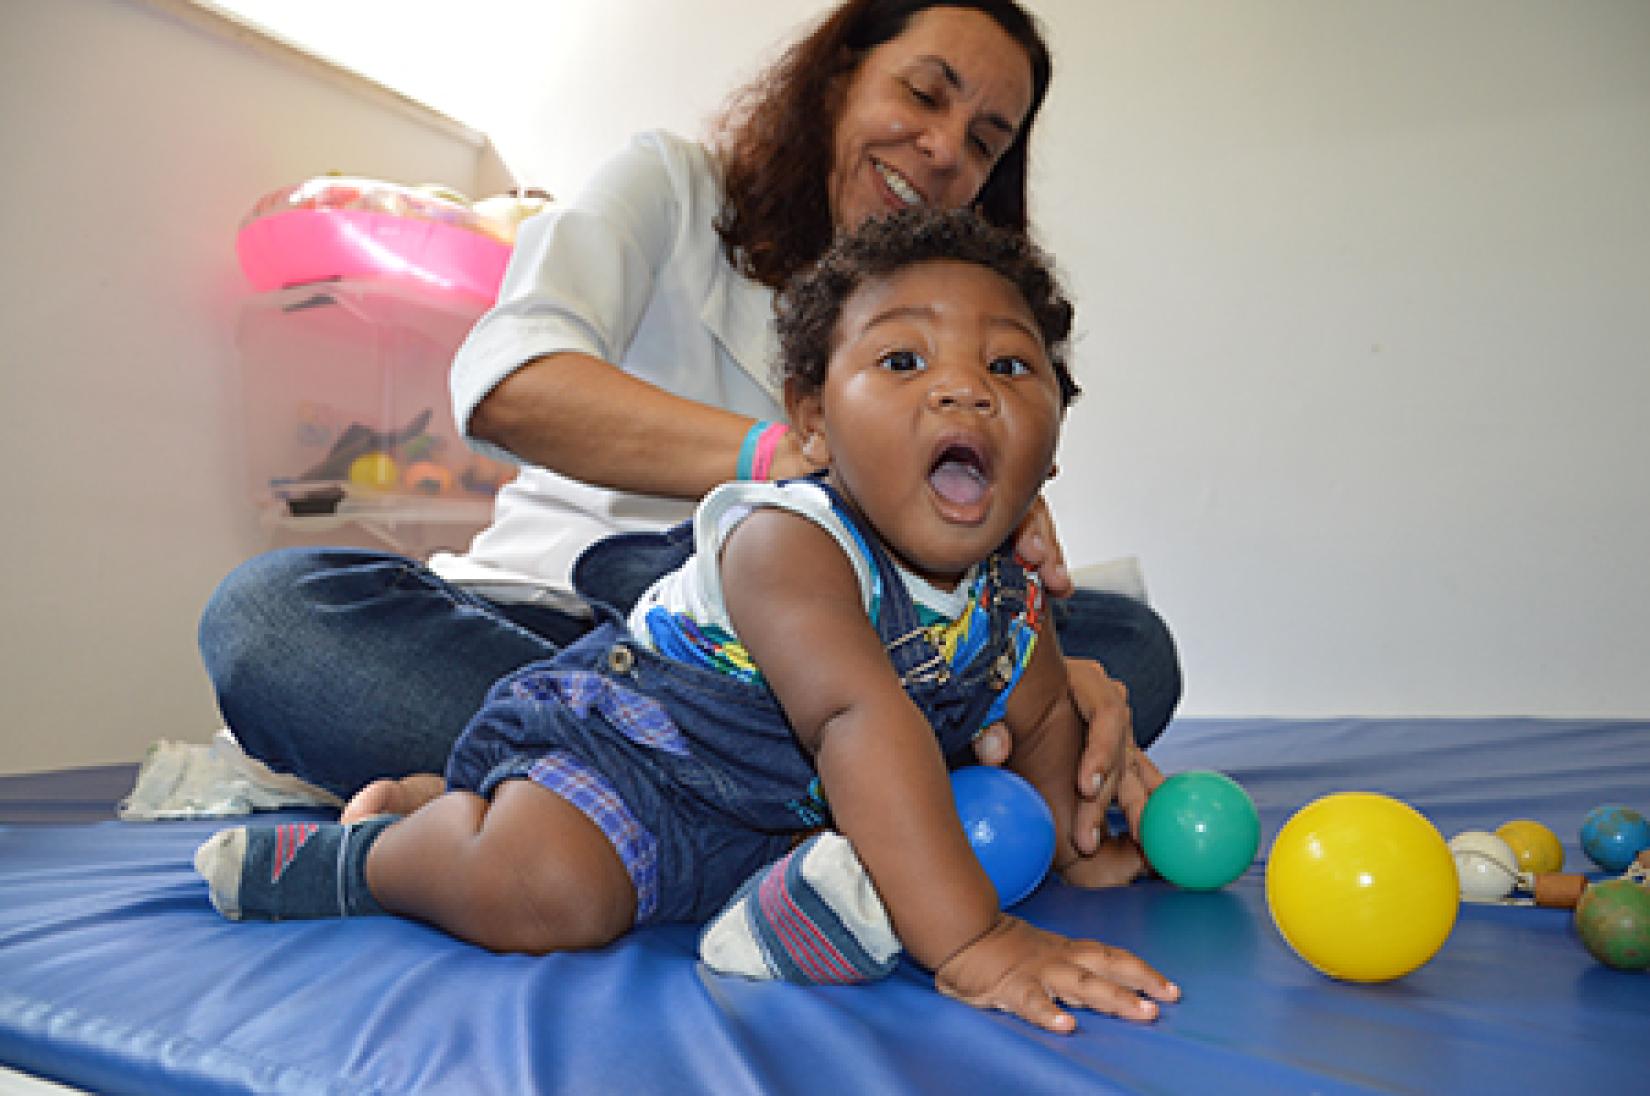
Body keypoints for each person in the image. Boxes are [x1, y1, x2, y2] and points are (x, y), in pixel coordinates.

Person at [198, 0, 1179, 855]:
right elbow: (508, 381)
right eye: (925, 96)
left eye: (985, 140)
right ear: (838, 77)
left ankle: (632, 805)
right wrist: (792, 462)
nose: (945, 148)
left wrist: (1032, 648)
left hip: (830, 673)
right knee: (274, 622)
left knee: (1130, 650)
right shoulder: (671, 186)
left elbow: (979, 590)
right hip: (579, 634)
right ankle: (838, 804)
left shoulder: (959, 324)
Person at [195, 207, 1180, 1032]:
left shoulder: (1012, 591)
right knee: (549, 893)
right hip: (644, 757)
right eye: (904, 359)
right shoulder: (788, 542)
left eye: (1010, 368)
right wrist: (973, 938)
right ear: (812, 424)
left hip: (789, 812)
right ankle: (383, 851)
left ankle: (788, 899)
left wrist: (1074, 842)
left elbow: (1047, 714)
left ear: (1053, 447)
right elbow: (855, 720)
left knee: (1106, 652)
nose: (963, 385)